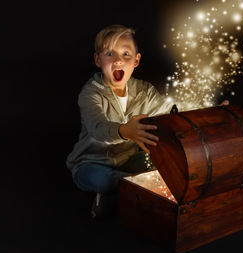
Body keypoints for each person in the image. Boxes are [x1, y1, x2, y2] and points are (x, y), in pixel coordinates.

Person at [66, 25, 174, 219]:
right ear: (98, 60)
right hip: (91, 163)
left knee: (159, 166)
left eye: (126, 54)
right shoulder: (90, 94)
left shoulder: (144, 91)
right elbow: (97, 128)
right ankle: (126, 191)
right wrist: (125, 131)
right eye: (109, 53)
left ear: (136, 60)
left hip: (127, 160)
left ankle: (125, 190)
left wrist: (210, 113)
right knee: (98, 179)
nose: (118, 60)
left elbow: (170, 114)